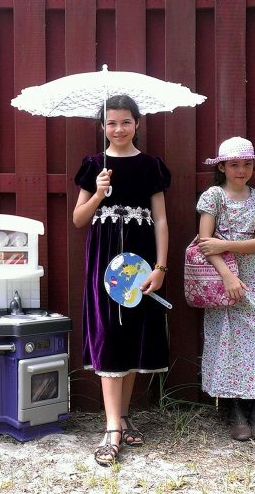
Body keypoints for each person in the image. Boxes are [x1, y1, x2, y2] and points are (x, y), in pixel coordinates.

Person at [72, 94, 171, 467]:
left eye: (125, 122)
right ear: (102, 127)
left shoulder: (151, 166)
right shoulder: (94, 165)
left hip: (142, 261)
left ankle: (123, 415)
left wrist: (160, 267)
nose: (118, 129)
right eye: (111, 123)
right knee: (109, 333)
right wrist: (98, 192)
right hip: (104, 262)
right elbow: (79, 219)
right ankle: (112, 429)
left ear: (137, 123)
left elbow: (160, 220)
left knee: (132, 334)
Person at [195, 136, 255, 441]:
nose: (241, 170)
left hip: (253, 279)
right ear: (223, 167)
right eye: (234, 165)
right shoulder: (213, 197)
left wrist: (225, 243)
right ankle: (234, 410)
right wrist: (227, 276)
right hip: (220, 279)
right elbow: (205, 243)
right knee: (225, 340)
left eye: (247, 164)